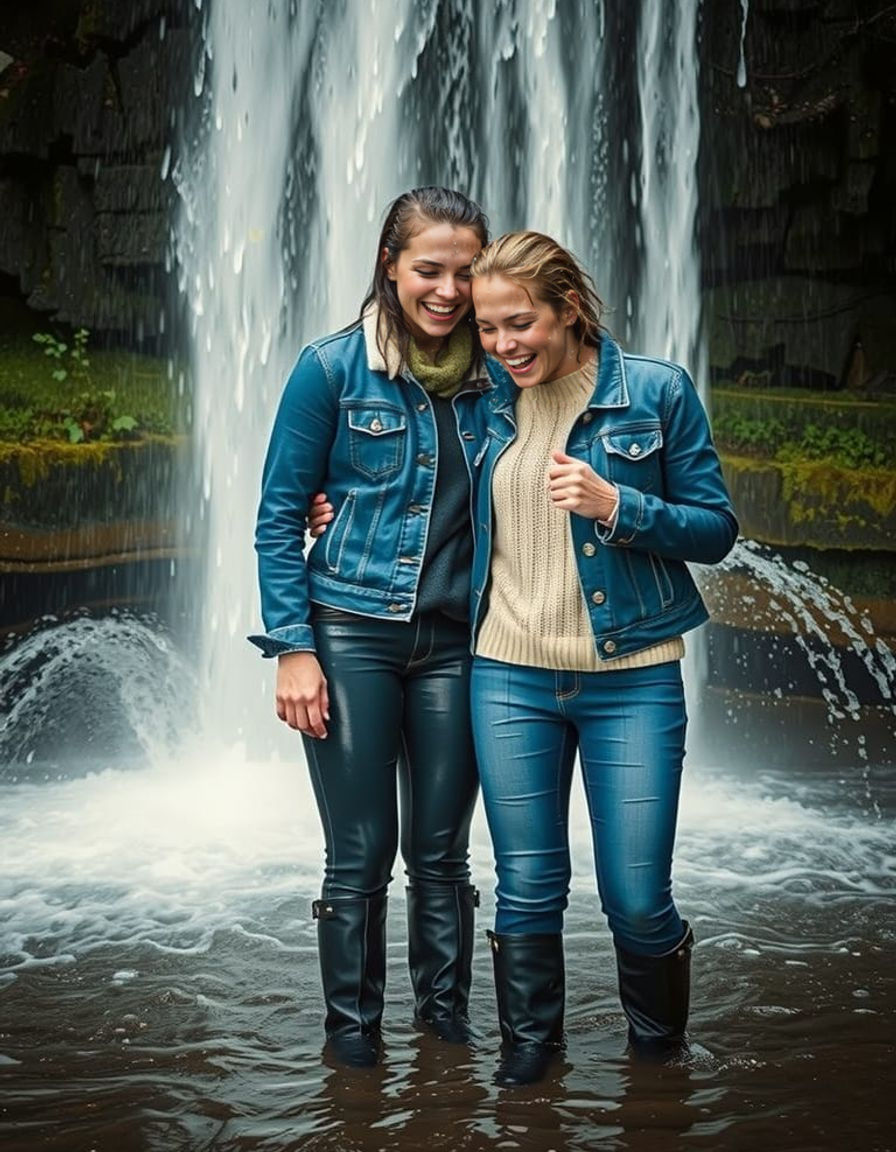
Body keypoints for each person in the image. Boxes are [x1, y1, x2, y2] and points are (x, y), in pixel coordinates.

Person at [454, 230, 739, 1085]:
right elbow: (403, 492)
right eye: (488, 329)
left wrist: (619, 504)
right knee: (527, 890)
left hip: (635, 679)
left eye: (520, 323)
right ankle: (527, 1072)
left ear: (568, 308)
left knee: (637, 900)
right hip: (508, 674)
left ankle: (658, 1066)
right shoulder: (479, 404)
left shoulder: (655, 391)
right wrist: (327, 512)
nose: (504, 346)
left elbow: (716, 530)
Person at [250, 187, 491, 1068]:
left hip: (462, 642)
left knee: (442, 852)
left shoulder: (502, 370)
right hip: (350, 630)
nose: (449, 291)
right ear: (390, 266)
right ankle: (352, 1046)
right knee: (359, 854)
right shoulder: (331, 369)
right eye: (429, 269)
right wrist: (293, 648)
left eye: (467, 271)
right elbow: (281, 515)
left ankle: (445, 1035)